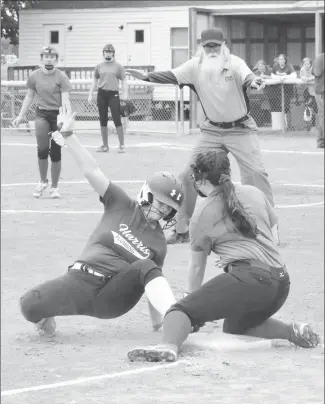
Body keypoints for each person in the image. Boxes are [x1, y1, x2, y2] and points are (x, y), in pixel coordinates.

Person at [127, 150, 321, 363]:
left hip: (252, 279)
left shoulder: (202, 213)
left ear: (200, 179)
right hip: (282, 282)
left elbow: (197, 268)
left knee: (179, 310)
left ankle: (168, 346)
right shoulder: (254, 193)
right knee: (236, 326)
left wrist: (190, 306)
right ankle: (293, 331)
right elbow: (273, 235)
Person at [19, 110, 184, 338]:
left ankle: (176, 320)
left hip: (112, 297)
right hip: (78, 281)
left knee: (145, 266)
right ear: (147, 194)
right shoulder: (120, 203)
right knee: (29, 304)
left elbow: (152, 282)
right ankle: (47, 317)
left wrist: (160, 324)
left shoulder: (158, 244)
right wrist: (69, 136)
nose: (164, 210)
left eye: (169, 208)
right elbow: (92, 170)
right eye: (162, 202)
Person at [126, 28, 278, 245]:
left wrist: (254, 81)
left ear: (224, 44)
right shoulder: (194, 66)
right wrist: (148, 76)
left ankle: (267, 229)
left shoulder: (234, 62)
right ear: (202, 47)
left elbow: (248, 77)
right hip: (211, 131)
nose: (212, 49)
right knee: (188, 175)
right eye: (208, 46)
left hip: (240, 129)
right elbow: (172, 75)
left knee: (255, 174)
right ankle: (182, 230)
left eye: (216, 45)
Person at [12, 46, 72, 199]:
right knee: (43, 148)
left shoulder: (61, 77)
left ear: (56, 59)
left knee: (56, 152)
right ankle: (42, 181)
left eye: (52, 57)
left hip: (57, 116)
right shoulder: (34, 76)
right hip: (42, 114)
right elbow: (29, 97)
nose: (49, 59)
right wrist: (20, 116)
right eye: (46, 56)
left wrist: (65, 120)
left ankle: (54, 187)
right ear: (41, 59)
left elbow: (65, 99)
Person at [88, 44, 127, 153]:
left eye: (110, 52)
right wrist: (91, 93)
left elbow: (124, 80)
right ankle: (105, 146)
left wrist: (125, 93)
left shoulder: (118, 66)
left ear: (113, 53)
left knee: (116, 118)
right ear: (103, 53)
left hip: (113, 94)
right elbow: (95, 80)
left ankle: (122, 145)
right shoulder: (99, 66)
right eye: (106, 52)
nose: (108, 53)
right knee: (103, 119)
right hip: (101, 94)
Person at [271, 54, 297, 131]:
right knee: (279, 106)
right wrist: (280, 78)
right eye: (279, 59)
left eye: (282, 59)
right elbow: (272, 76)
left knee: (286, 106)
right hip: (277, 90)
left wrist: (284, 77)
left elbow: (294, 75)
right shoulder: (275, 65)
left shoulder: (289, 65)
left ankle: (288, 125)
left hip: (288, 89)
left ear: (285, 60)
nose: (280, 61)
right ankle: (282, 126)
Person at [300, 57, 317, 132]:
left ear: (310, 64)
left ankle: (316, 124)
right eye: (305, 64)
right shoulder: (302, 69)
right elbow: (301, 77)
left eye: (308, 64)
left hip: (314, 92)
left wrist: (309, 79)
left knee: (316, 108)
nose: (306, 65)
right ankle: (308, 125)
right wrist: (304, 78)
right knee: (307, 107)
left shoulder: (313, 69)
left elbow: (316, 76)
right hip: (306, 91)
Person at [311, 53, 324, 149]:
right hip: (321, 91)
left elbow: (315, 72)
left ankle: (320, 142)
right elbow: (317, 72)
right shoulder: (321, 58)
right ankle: (320, 142)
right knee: (322, 116)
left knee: (321, 115)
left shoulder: (320, 57)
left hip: (320, 90)